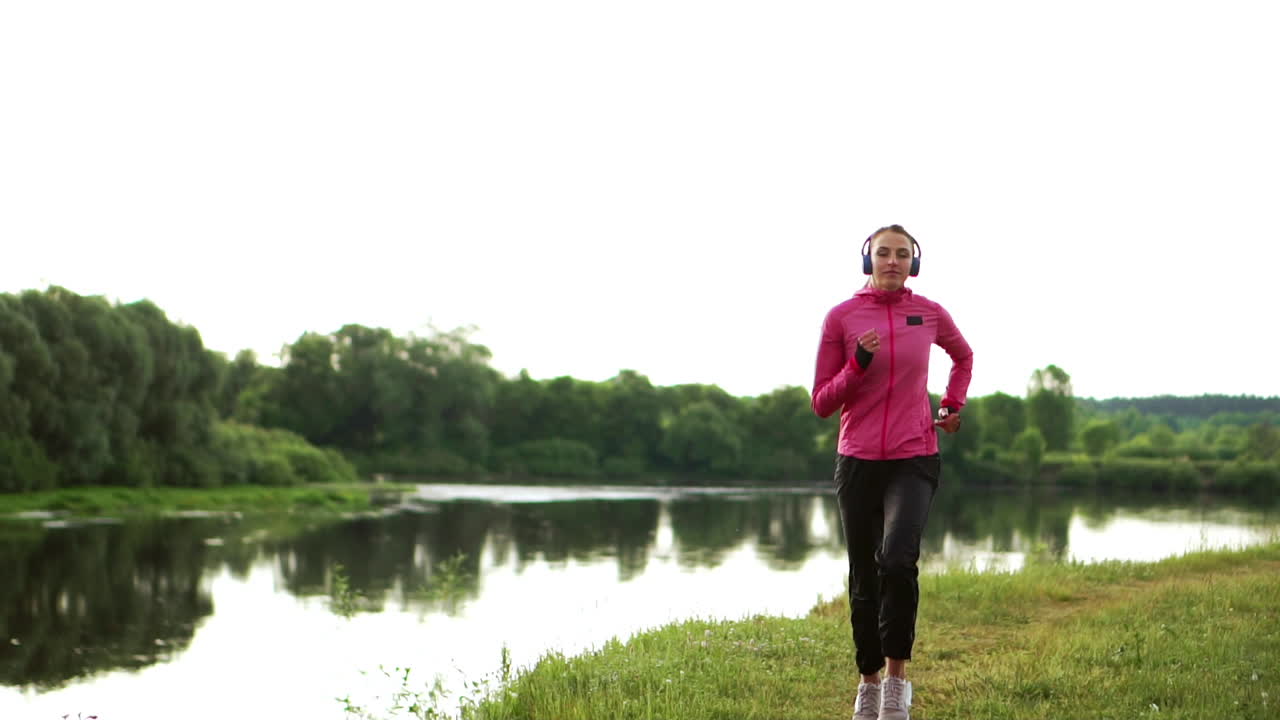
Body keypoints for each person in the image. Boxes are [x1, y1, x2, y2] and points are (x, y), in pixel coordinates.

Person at [810, 224, 973, 720]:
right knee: (864, 573)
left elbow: (963, 356)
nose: (893, 262)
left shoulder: (928, 313)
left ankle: (898, 685)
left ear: (913, 263)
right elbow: (821, 402)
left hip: (914, 453)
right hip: (858, 458)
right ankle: (869, 683)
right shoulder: (842, 318)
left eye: (903, 255)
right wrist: (857, 363)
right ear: (868, 260)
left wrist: (951, 402)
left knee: (898, 561)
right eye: (884, 253)